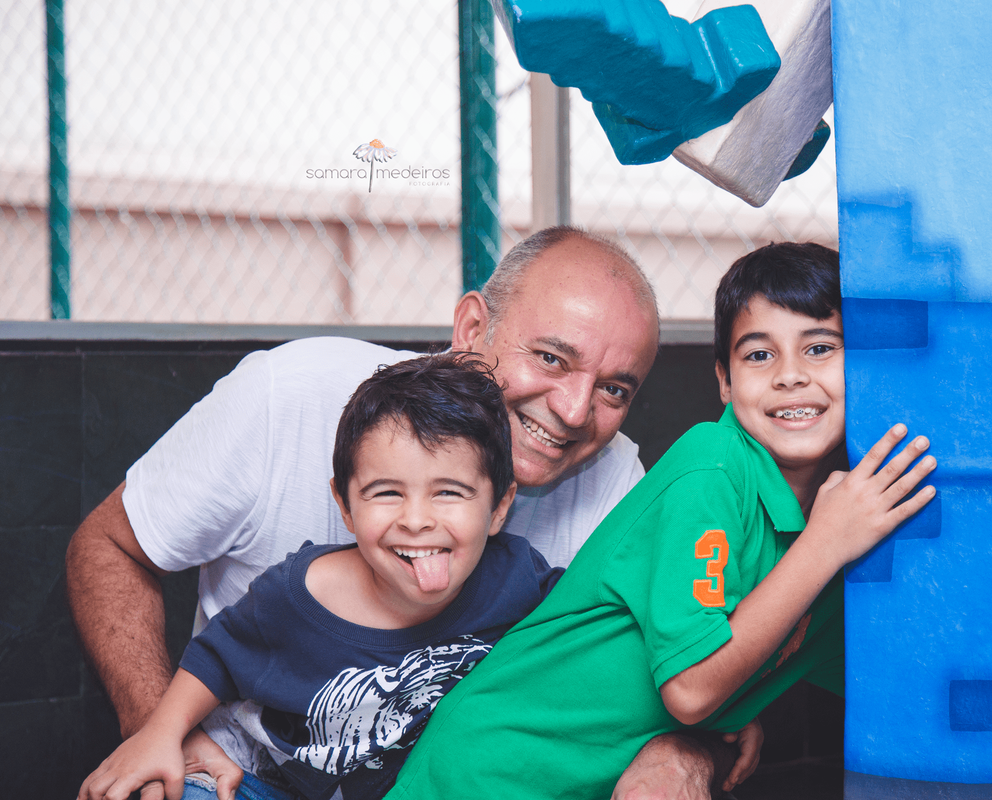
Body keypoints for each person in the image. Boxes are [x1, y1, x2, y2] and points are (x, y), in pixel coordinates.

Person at [65, 226, 753, 800]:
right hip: (237, 775)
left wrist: (686, 750)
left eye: (614, 389)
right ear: (472, 327)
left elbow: (682, 666)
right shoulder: (293, 398)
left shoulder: (616, 489)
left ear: (498, 509)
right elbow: (110, 546)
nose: (574, 411)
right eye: (549, 357)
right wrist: (159, 732)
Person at [385, 242, 939, 799]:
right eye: (759, 355)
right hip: (478, 778)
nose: (790, 376)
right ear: (723, 380)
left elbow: (897, 681)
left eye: (820, 347)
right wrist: (824, 544)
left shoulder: (849, 514)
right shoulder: (714, 469)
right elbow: (691, 689)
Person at [79, 352, 564, 800]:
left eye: (449, 493)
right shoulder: (298, 592)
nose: (417, 520)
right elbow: (217, 657)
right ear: (345, 506)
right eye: (386, 493)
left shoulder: (516, 579)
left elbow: (604, 615)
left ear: (499, 507)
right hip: (266, 785)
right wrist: (160, 734)